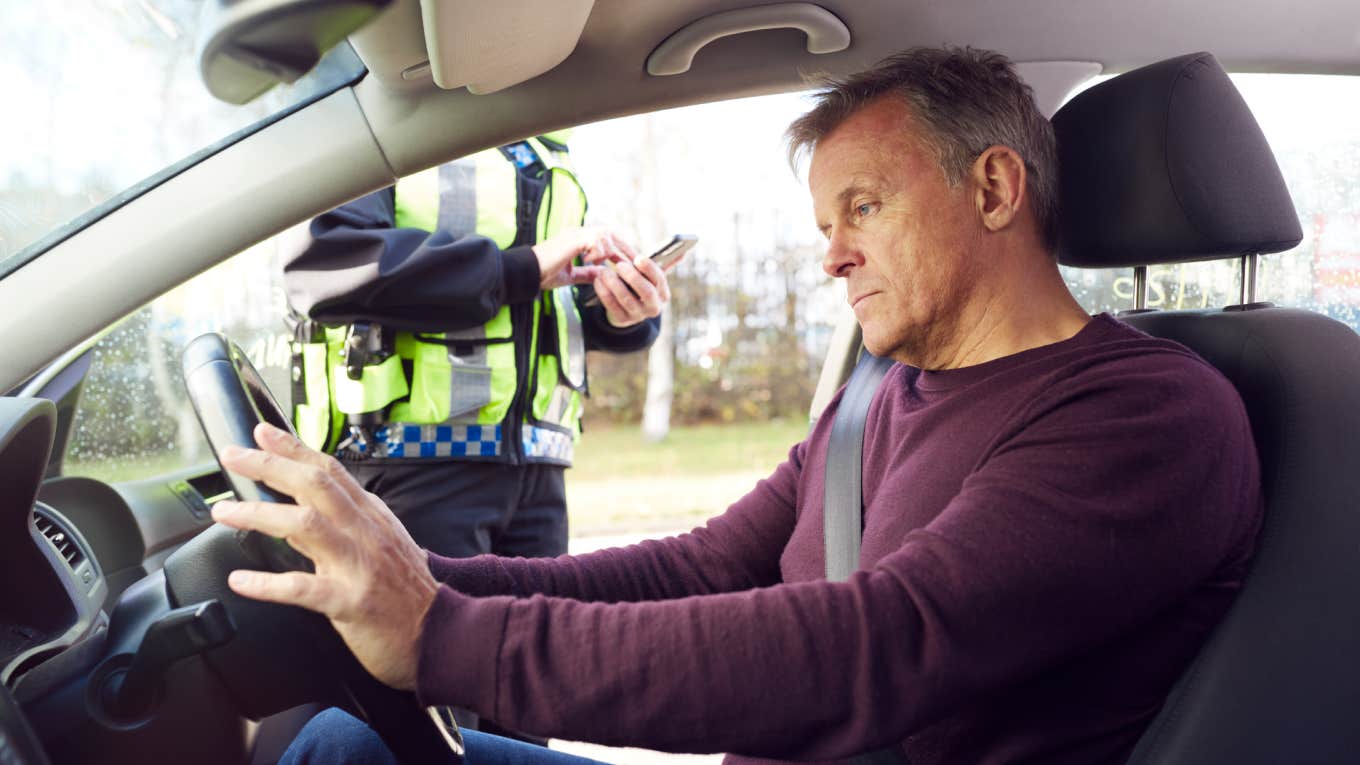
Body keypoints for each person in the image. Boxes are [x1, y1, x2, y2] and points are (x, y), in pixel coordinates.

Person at [217, 47, 1263, 764]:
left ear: (993, 190)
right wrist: (415, 573)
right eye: (825, 221)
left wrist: (445, 638)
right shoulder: (879, 398)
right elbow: (699, 568)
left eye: (864, 206)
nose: (831, 255)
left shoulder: (1147, 416)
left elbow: (881, 643)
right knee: (348, 747)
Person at [282, 133, 672, 562]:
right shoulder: (385, 132)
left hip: (540, 475)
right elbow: (327, 265)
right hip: (409, 469)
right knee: (430, 631)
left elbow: (549, 303)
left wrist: (618, 314)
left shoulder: (547, 146)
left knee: (540, 630)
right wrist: (522, 268)